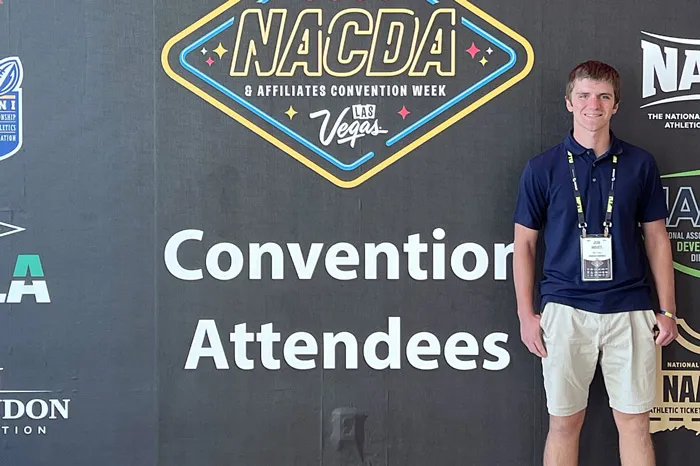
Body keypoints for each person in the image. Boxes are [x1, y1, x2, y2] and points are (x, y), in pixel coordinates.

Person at [512, 61, 679, 466]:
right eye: (584, 95)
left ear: (616, 106)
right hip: (565, 309)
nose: (593, 104)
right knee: (564, 424)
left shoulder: (640, 164)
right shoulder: (542, 168)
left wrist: (668, 310)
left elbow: (657, 239)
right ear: (569, 102)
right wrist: (526, 314)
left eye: (604, 96)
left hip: (630, 309)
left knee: (635, 424)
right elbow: (525, 245)